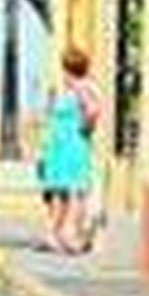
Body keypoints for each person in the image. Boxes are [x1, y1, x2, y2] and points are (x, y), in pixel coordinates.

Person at [36, 46, 100, 253]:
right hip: (59, 147)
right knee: (57, 191)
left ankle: (70, 234)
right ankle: (52, 234)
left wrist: (85, 128)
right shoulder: (65, 90)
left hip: (73, 145)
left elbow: (93, 110)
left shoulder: (83, 87)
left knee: (74, 190)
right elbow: (52, 120)